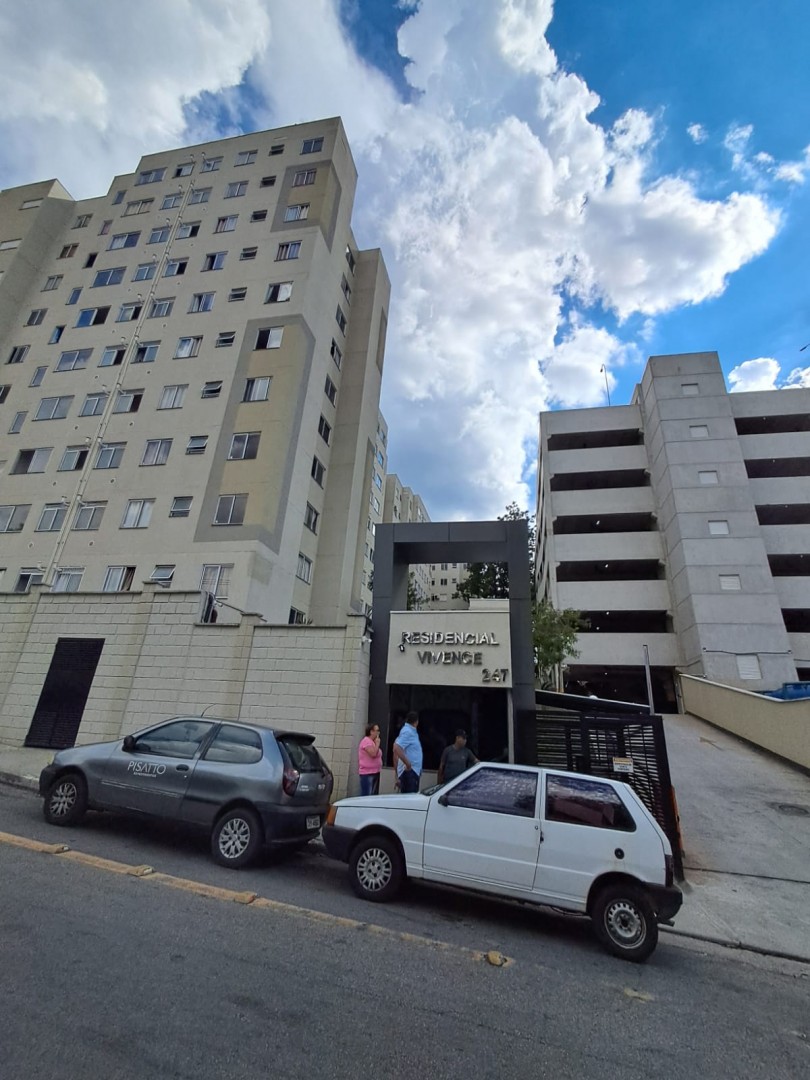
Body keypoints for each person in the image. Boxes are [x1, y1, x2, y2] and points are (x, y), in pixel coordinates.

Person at [393, 711, 422, 793]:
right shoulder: (408, 731)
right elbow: (396, 748)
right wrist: (408, 764)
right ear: (416, 722)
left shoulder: (411, 731)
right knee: (410, 797)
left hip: (413, 772)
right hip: (410, 772)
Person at [357, 723, 382, 796]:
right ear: (371, 732)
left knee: (373, 794)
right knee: (367, 795)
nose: (378, 733)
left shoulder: (372, 742)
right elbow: (373, 754)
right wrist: (377, 744)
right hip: (368, 773)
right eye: (377, 730)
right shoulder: (366, 741)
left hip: (375, 772)